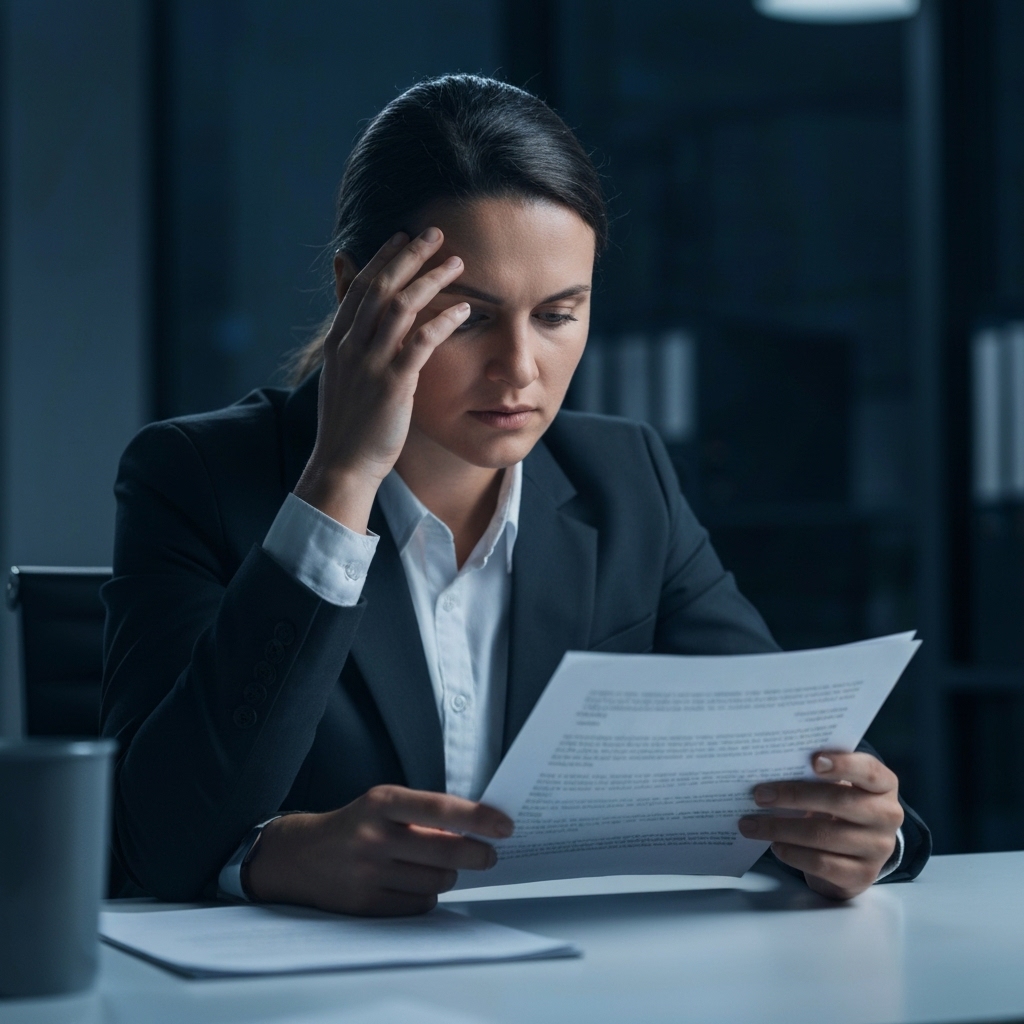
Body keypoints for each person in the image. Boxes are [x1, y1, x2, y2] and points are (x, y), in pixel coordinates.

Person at [101, 74, 930, 915]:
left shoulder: (624, 478)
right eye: (468, 318)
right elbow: (153, 844)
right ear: (359, 293)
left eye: (558, 315)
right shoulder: (194, 478)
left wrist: (871, 834)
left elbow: (788, 752)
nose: (521, 371)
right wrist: (338, 482)